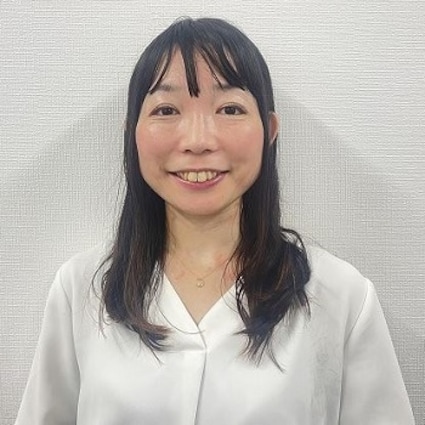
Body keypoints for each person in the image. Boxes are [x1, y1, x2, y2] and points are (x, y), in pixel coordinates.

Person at [15, 17, 414, 424]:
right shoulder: (81, 290)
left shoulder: (341, 298)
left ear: (269, 131)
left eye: (229, 109)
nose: (198, 140)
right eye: (166, 110)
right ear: (131, 133)